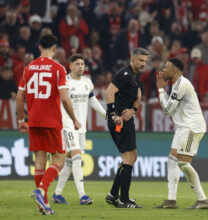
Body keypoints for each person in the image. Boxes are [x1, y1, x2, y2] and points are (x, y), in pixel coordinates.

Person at [16, 34, 81, 215]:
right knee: (59, 159)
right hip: (51, 120)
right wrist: (75, 119)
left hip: (34, 121)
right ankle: (42, 190)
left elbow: (20, 97)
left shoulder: (28, 68)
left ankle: (43, 204)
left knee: (40, 160)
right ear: (54, 48)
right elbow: (65, 98)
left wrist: (22, 120)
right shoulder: (58, 68)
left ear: (39, 48)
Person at [154, 58, 208, 209]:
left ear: (176, 70)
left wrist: (160, 89)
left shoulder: (181, 84)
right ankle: (171, 200)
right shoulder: (175, 85)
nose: (163, 70)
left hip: (191, 127)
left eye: (166, 67)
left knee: (183, 163)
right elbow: (169, 106)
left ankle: (202, 199)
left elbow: (167, 110)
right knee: (172, 159)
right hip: (182, 128)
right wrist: (163, 91)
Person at [52, 54, 106, 205]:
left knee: (69, 160)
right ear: (70, 66)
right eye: (77, 64)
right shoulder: (65, 83)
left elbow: (93, 102)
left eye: (82, 64)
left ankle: (57, 194)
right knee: (76, 156)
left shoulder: (87, 83)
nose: (80, 66)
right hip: (67, 125)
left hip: (81, 128)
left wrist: (107, 115)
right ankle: (82, 195)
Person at [104, 47, 149, 208]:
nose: (143, 64)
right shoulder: (124, 74)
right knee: (128, 158)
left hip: (127, 119)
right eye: (141, 60)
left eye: (145, 61)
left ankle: (113, 194)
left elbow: (138, 97)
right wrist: (113, 114)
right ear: (133, 59)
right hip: (119, 121)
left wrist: (134, 110)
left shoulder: (136, 77)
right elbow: (108, 92)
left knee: (132, 157)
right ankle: (123, 199)